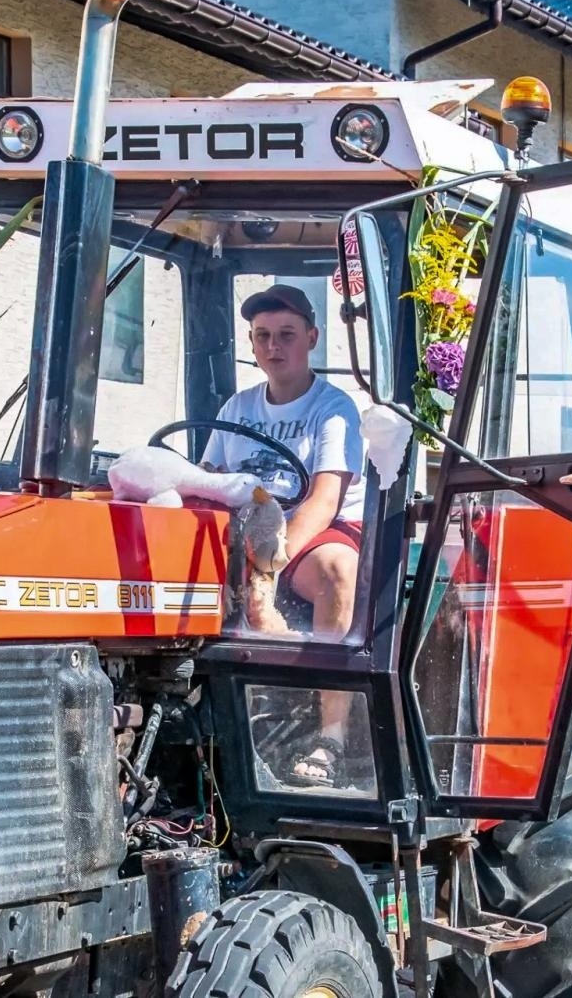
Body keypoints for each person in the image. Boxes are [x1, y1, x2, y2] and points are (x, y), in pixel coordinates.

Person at [200, 283, 366, 786]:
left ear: (312, 337)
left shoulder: (332, 409)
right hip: (251, 526)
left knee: (339, 570)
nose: (274, 346)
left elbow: (323, 500)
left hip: (314, 531)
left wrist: (264, 571)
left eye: (286, 334)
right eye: (263, 336)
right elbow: (208, 476)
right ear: (251, 345)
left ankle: (331, 735)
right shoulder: (237, 407)